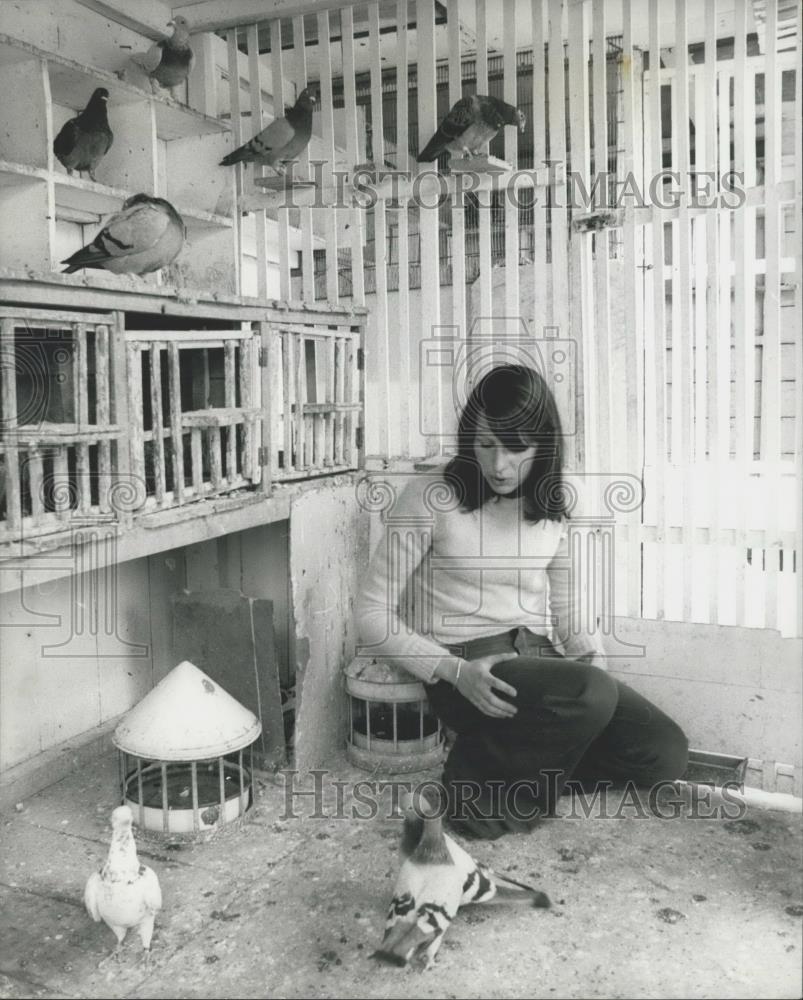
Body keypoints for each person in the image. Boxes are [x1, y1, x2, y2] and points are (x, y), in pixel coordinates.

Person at [355, 364, 688, 839]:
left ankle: (498, 777)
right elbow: (370, 614)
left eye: (517, 447)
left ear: (543, 446)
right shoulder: (430, 497)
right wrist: (451, 671)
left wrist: (590, 658)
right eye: (486, 444)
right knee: (590, 695)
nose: (499, 465)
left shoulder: (556, 500)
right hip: (469, 671)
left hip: (537, 661)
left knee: (664, 751)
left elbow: (569, 612)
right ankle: (479, 794)